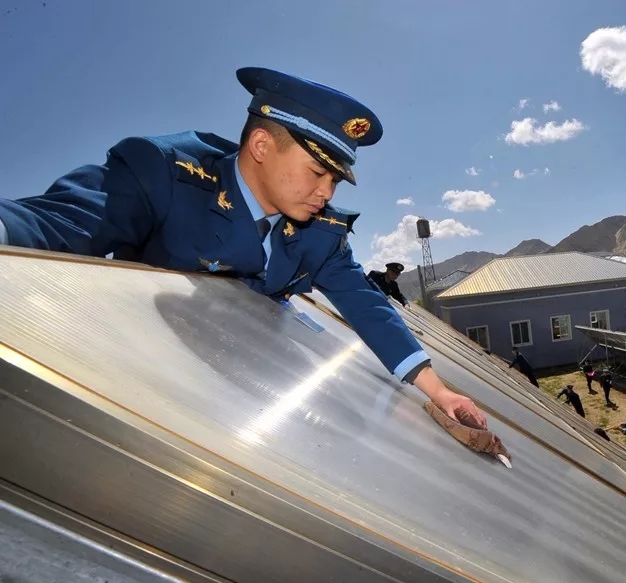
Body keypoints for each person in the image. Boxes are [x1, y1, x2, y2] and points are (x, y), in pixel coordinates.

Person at [0, 67, 483, 427]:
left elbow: (368, 305)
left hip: (250, 394)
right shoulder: (167, 176)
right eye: (318, 173)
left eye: (336, 180)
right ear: (260, 146)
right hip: (147, 387)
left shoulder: (319, 232)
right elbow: (54, 222)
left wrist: (437, 389)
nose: (328, 194)